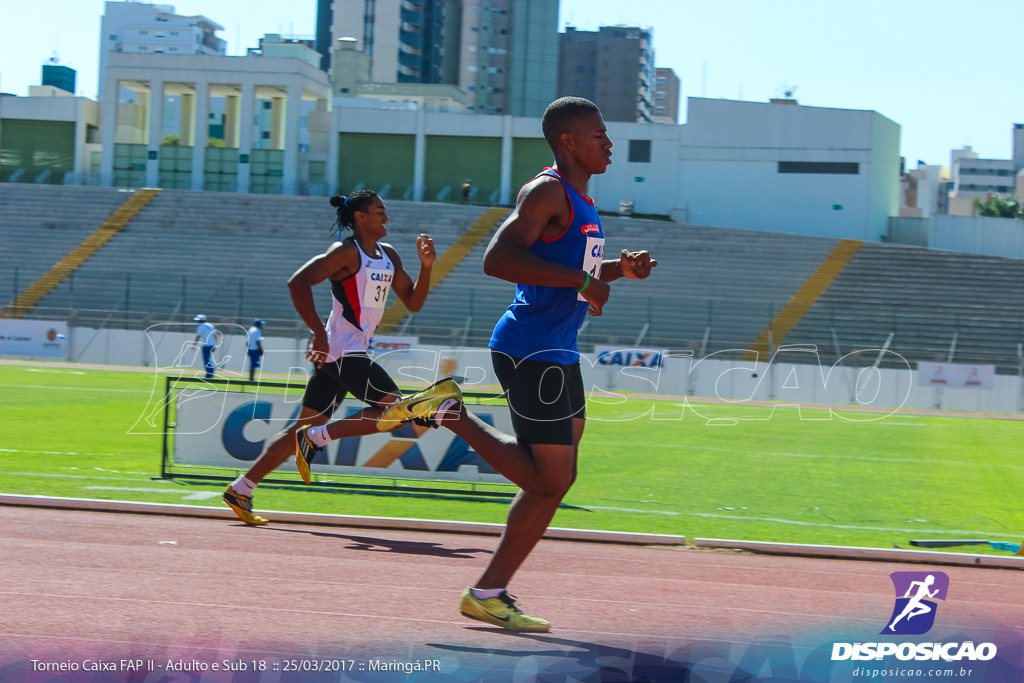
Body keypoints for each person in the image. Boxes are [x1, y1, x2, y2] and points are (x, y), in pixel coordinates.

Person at [309, 97, 656, 631]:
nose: (608, 143)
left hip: (559, 348)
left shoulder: (583, 201)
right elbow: (499, 259)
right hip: (530, 348)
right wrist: (585, 281)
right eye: (598, 135)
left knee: (557, 480)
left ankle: (490, 591)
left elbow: (561, 269)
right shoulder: (547, 190)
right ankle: (450, 414)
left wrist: (616, 270)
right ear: (567, 142)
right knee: (547, 482)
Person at [221, 191, 460, 526]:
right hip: (342, 351)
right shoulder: (346, 252)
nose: (387, 218)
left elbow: (413, 302)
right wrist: (318, 332)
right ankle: (316, 439)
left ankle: (241, 487)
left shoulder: (388, 255)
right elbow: (298, 283)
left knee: (301, 428)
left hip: (346, 351)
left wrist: (426, 267)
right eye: (380, 212)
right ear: (360, 217)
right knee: (395, 412)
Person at [193, 314, 218, 379]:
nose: (197, 322)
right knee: (208, 359)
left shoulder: (201, 327)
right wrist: (215, 344)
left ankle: (209, 373)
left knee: (206, 360)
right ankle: (210, 371)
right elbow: (215, 335)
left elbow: (198, 336)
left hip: (206, 345)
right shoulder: (210, 325)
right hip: (212, 344)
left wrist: (194, 344)